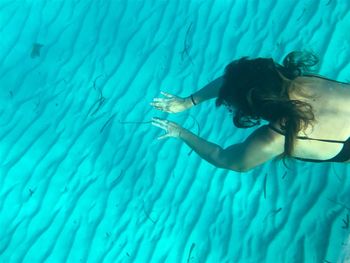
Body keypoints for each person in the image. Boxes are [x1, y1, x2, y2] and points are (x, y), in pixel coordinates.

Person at [151, 51, 350, 172]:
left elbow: (226, 159)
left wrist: (180, 132)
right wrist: (189, 102)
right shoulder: (295, 79)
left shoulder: (276, 137)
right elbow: (242, 81)